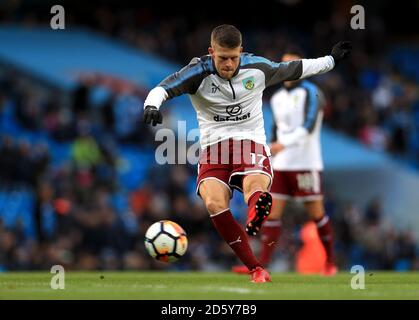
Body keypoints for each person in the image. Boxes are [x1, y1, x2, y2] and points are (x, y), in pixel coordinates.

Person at [143, 24, 351, 282]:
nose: (228, 64)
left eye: (233, 57)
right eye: (222, 58)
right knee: (213, 201)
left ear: (241, 51)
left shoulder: (257, 68)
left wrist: (331, 60)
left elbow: (296, 68)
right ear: (211, 52)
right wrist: (152, 104)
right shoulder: (197, 72)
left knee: (255, 183)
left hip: (249, 141)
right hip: (213, 147)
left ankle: (256, 209)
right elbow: (164, 87)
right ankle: (256, 267)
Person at [232, 48, 338, 276]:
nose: (288, 70)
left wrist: (282, 144)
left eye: (293, 65)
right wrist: (270, 147)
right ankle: (260, 265)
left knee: (316, 214)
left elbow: (309, 127)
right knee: (272, 215)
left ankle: (330, 262)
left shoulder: (312, 93)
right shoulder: (278, 98)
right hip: (281, 164)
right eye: (284, 65)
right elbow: (274, 129)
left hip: (306, 163)